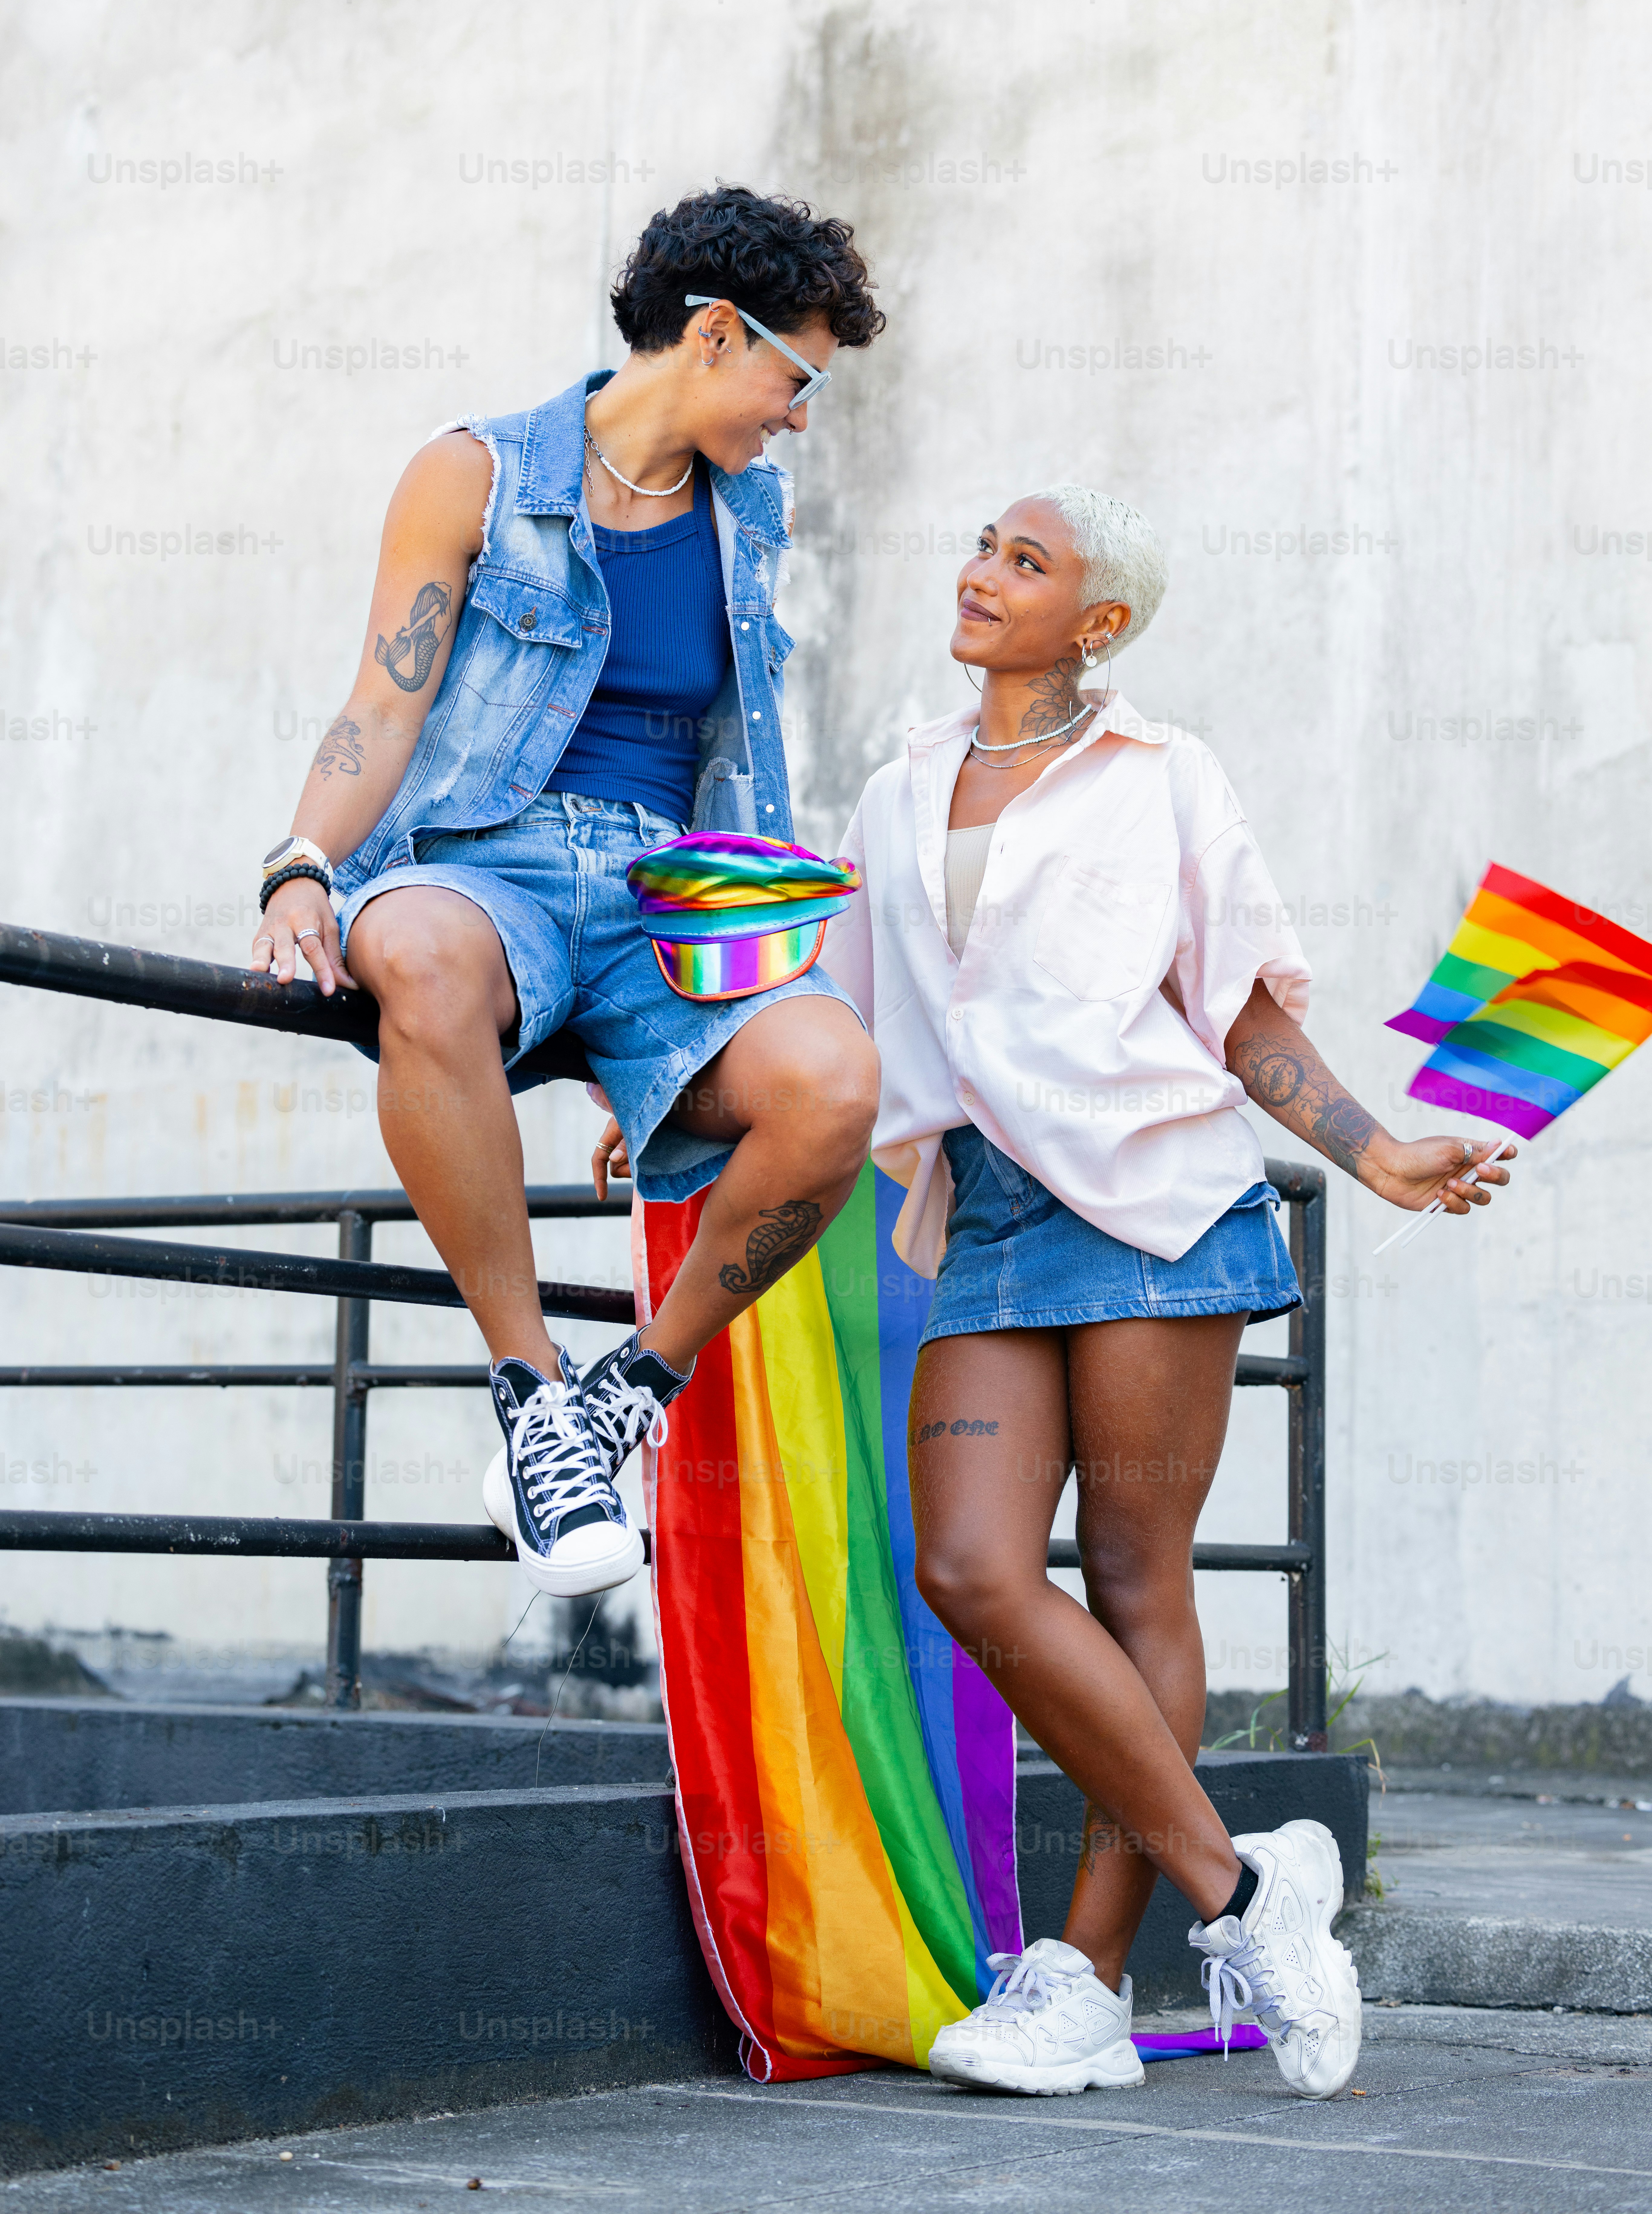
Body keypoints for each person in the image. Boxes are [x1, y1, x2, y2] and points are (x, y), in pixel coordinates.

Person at [818, 484, 1514, 2100]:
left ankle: (1078, 1984)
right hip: (988, 1214)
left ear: (1099, 625)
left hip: (1156, 1201)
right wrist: (660, 1114)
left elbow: (1242, 1015)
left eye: (1026, 562)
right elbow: (838, 1027)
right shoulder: (894, 790)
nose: (983, 574)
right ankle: (1246, 1892)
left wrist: (1373, 1151)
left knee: (1137, 1581)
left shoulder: (1164, 777)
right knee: (973, 1570)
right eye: (984, 546)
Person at [250, 187, 884, 1600]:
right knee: (408, 945)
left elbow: (732, 755)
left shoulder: (751, 512)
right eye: (797, 378)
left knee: (836, 1081)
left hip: (672, 899)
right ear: (716, 335)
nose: (797, 415)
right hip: (497, 861)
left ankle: (627, 1394)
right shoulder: (474, 472)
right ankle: (534, 1399)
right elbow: (386, 701)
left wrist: (675, 1036)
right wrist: (304, 860)